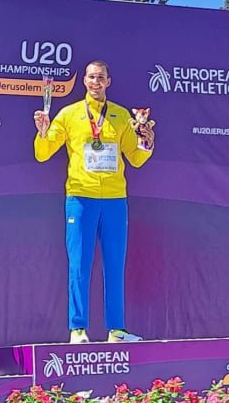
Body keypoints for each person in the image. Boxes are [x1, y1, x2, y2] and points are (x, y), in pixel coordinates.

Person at [33, 61, 155, 344]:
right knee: (79, 264)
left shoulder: (121, 116)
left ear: (108, 82)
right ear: (84, 81)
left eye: (101, 77)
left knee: (115, 264)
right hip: (80, 198)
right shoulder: (69, 114)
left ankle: (117, 330)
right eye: (91, 77)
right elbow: (43, 153)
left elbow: (136, 158)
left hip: (114, 199)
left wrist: (147, 143)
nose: (95, 82)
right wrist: (42, 132)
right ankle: (78, 330)